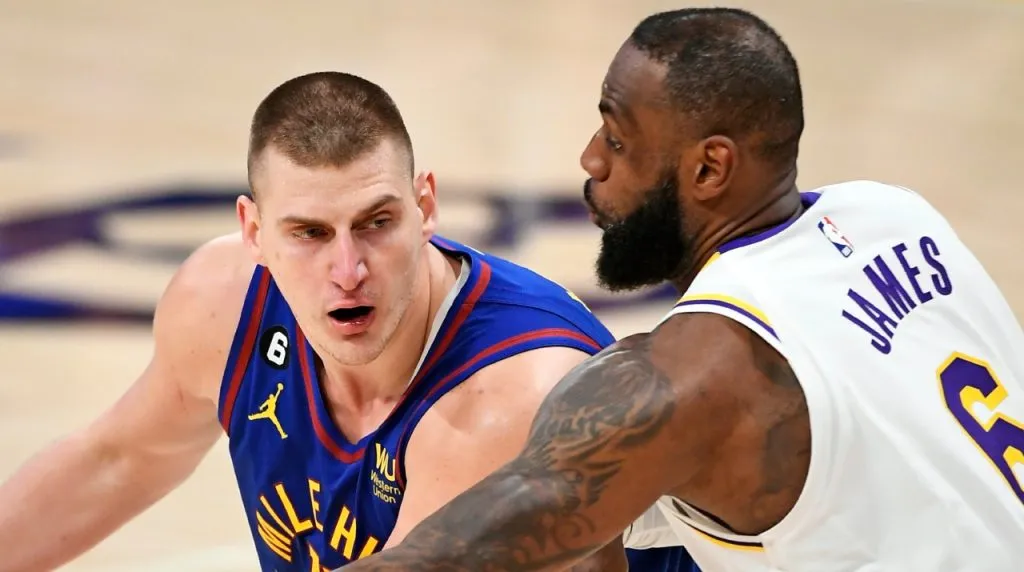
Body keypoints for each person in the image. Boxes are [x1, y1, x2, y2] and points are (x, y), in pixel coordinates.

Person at [338, 7, 1024, 572]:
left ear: (710, 169)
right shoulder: (895, 215)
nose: (591, 159)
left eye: (617, 137)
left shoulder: (692, 376)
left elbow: (442, 559)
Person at [0, 71, 694, 571]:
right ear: (254, 231)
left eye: (377, 223)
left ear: (425, 206)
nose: (347, 269)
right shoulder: (222, 302)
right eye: (307, 232)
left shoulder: (510, 397)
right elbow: (117, 461)